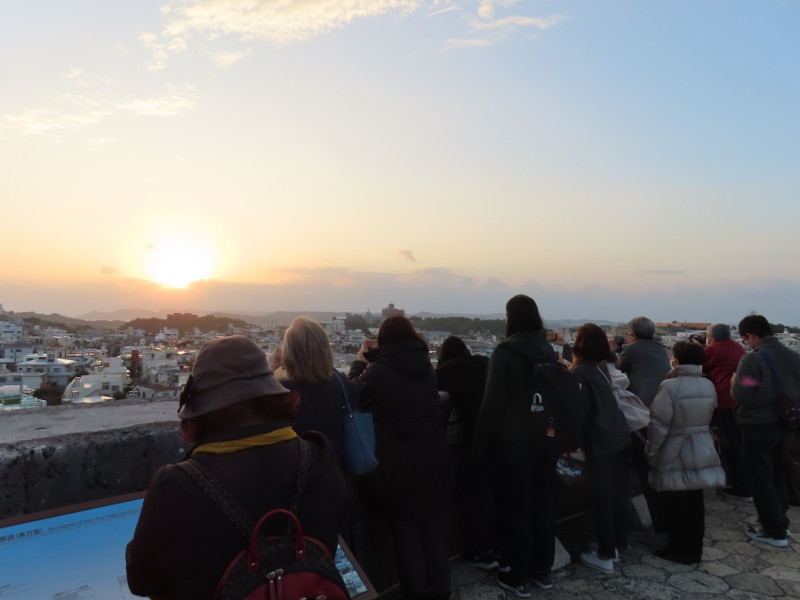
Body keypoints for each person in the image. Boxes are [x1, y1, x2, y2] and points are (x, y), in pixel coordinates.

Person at [126, 335, 348, 599]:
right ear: (275, 399)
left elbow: (140, 580)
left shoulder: (177, 487)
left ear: (201, 413)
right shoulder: (318, 457)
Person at [348, 315, 451, 600]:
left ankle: (416, 593)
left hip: (399, 466)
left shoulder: (378, 373)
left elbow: (353, 394)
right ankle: (441, 590)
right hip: (433, 459)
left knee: (407, 534)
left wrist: (361, 362)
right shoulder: (426, 369)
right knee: (432, 532)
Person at [472, 294, 557, 598]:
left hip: (514, 442)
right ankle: (542, 570)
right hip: (545, 440)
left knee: (515, 510)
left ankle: (517, 575)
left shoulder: (505, 353)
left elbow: (492, 402)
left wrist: (478, 445)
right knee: (543, 507)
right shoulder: (547, 350)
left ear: (511, 318)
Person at [646, 341, 726, 564]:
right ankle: (694, 549)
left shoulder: (670, 386)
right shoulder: (707, 385)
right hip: (702, 445)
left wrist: (651, 451)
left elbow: (659, 424)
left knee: (677, 503)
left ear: (676, 360)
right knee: (695, 502)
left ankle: (680, 551)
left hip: (676, 448)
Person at [731, 314, 799, 548]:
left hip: (759, 425)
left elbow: (744, 394)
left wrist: (733, 382)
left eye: (745, 339)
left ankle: (773, 530)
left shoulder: (753, 361)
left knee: (761, 477)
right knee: (779, 474)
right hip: (787, 425)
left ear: (750, 335)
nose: (746, 343)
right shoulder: (794, 357)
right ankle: (781, 521)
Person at [569, 324, 631, 573]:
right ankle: (615, 545)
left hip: (600, 441)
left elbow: (579, 413)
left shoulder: (579, 372)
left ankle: (605, 554)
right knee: (617, 496)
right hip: (619, 436)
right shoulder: (602, 368)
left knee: (603, 498)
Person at [435, 336, 495, 569]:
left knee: (470, 495)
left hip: (477, 443)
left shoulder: (447, 371)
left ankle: (481, 552)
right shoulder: (484, 363)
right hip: (503, 439)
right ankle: (497, 549)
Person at [270, 316, 358, 473]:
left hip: (294, 482)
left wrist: (270, 366)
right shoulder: (341, 385)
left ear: (290, 354)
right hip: (336, 480)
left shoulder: (280, 394)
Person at [617, 316, 671, 531]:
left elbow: (619, 369)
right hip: (664, 408)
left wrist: (619, 349)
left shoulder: (632, 350)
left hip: (644, 412)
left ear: (632, 334)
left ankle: (659, 523)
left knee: (645, 466)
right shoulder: (660, 349)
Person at [696, 323, 749, 499]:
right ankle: (741, 483)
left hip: (724, 401)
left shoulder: (713, 349)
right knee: (739, 443)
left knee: (731, 444)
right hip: (740, 400)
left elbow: (700, 368)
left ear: (710, 337)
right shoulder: (738, 347)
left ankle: (741, 488)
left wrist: (700, 350)